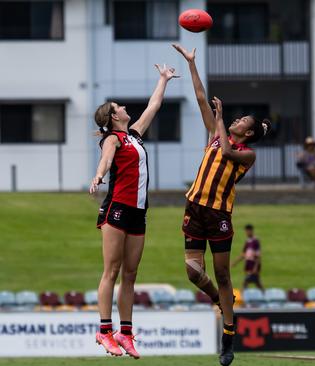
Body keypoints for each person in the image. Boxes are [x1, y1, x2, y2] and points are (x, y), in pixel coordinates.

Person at [173, 43, 270, 366]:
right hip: (194, 208)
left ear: (249, 133)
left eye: (243, 120)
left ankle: (228, 335)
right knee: (191, 272)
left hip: (218, 215)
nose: (237, 119)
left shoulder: (247, 153)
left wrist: (219, 120)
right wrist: (191, 64)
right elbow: (201, 98)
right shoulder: (217, 133)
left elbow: (228, 154)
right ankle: (218, 299)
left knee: (224, 274)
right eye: (238, 117)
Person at [90, 64, 178, 358]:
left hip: (139, 212)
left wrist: (163, 79)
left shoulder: (136, 135)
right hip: (117, 209)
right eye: (120, 106)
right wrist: (99, 176)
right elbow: (105, 159)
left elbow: (154, 105)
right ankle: (104, 332)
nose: (125, 107)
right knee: (111, 271)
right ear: (114, 116)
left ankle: (125, 333)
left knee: (131, 273)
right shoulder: (113, 139)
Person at [232, 224, 264, 290]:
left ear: (252, 231)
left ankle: (243, 296)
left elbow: (258, 256)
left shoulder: (255, 241)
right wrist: (235, 262)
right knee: (257, 282)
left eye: (248, 231)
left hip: (253, 264)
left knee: (246, 282)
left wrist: (255, 267)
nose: (247, 233)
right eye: (246, 231)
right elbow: (244, 254)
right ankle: (264, 294)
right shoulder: (247, 241)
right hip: (248, 264)